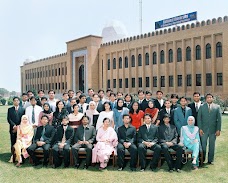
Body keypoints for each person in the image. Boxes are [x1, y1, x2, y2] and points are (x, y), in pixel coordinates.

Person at [197, 93, 222, 164]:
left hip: (213, 130)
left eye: (210, 97)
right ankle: (202, 159)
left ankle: (210, 160)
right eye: (208, 97)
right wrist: (200, 128)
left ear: (212, 98)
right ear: (206, 99)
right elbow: (199, 118)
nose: (209, 99)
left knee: (212, 145)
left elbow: (219, 119)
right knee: (203, 145)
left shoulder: (217, 107)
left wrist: (218, 129)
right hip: (203, 130)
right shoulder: (202, 106)